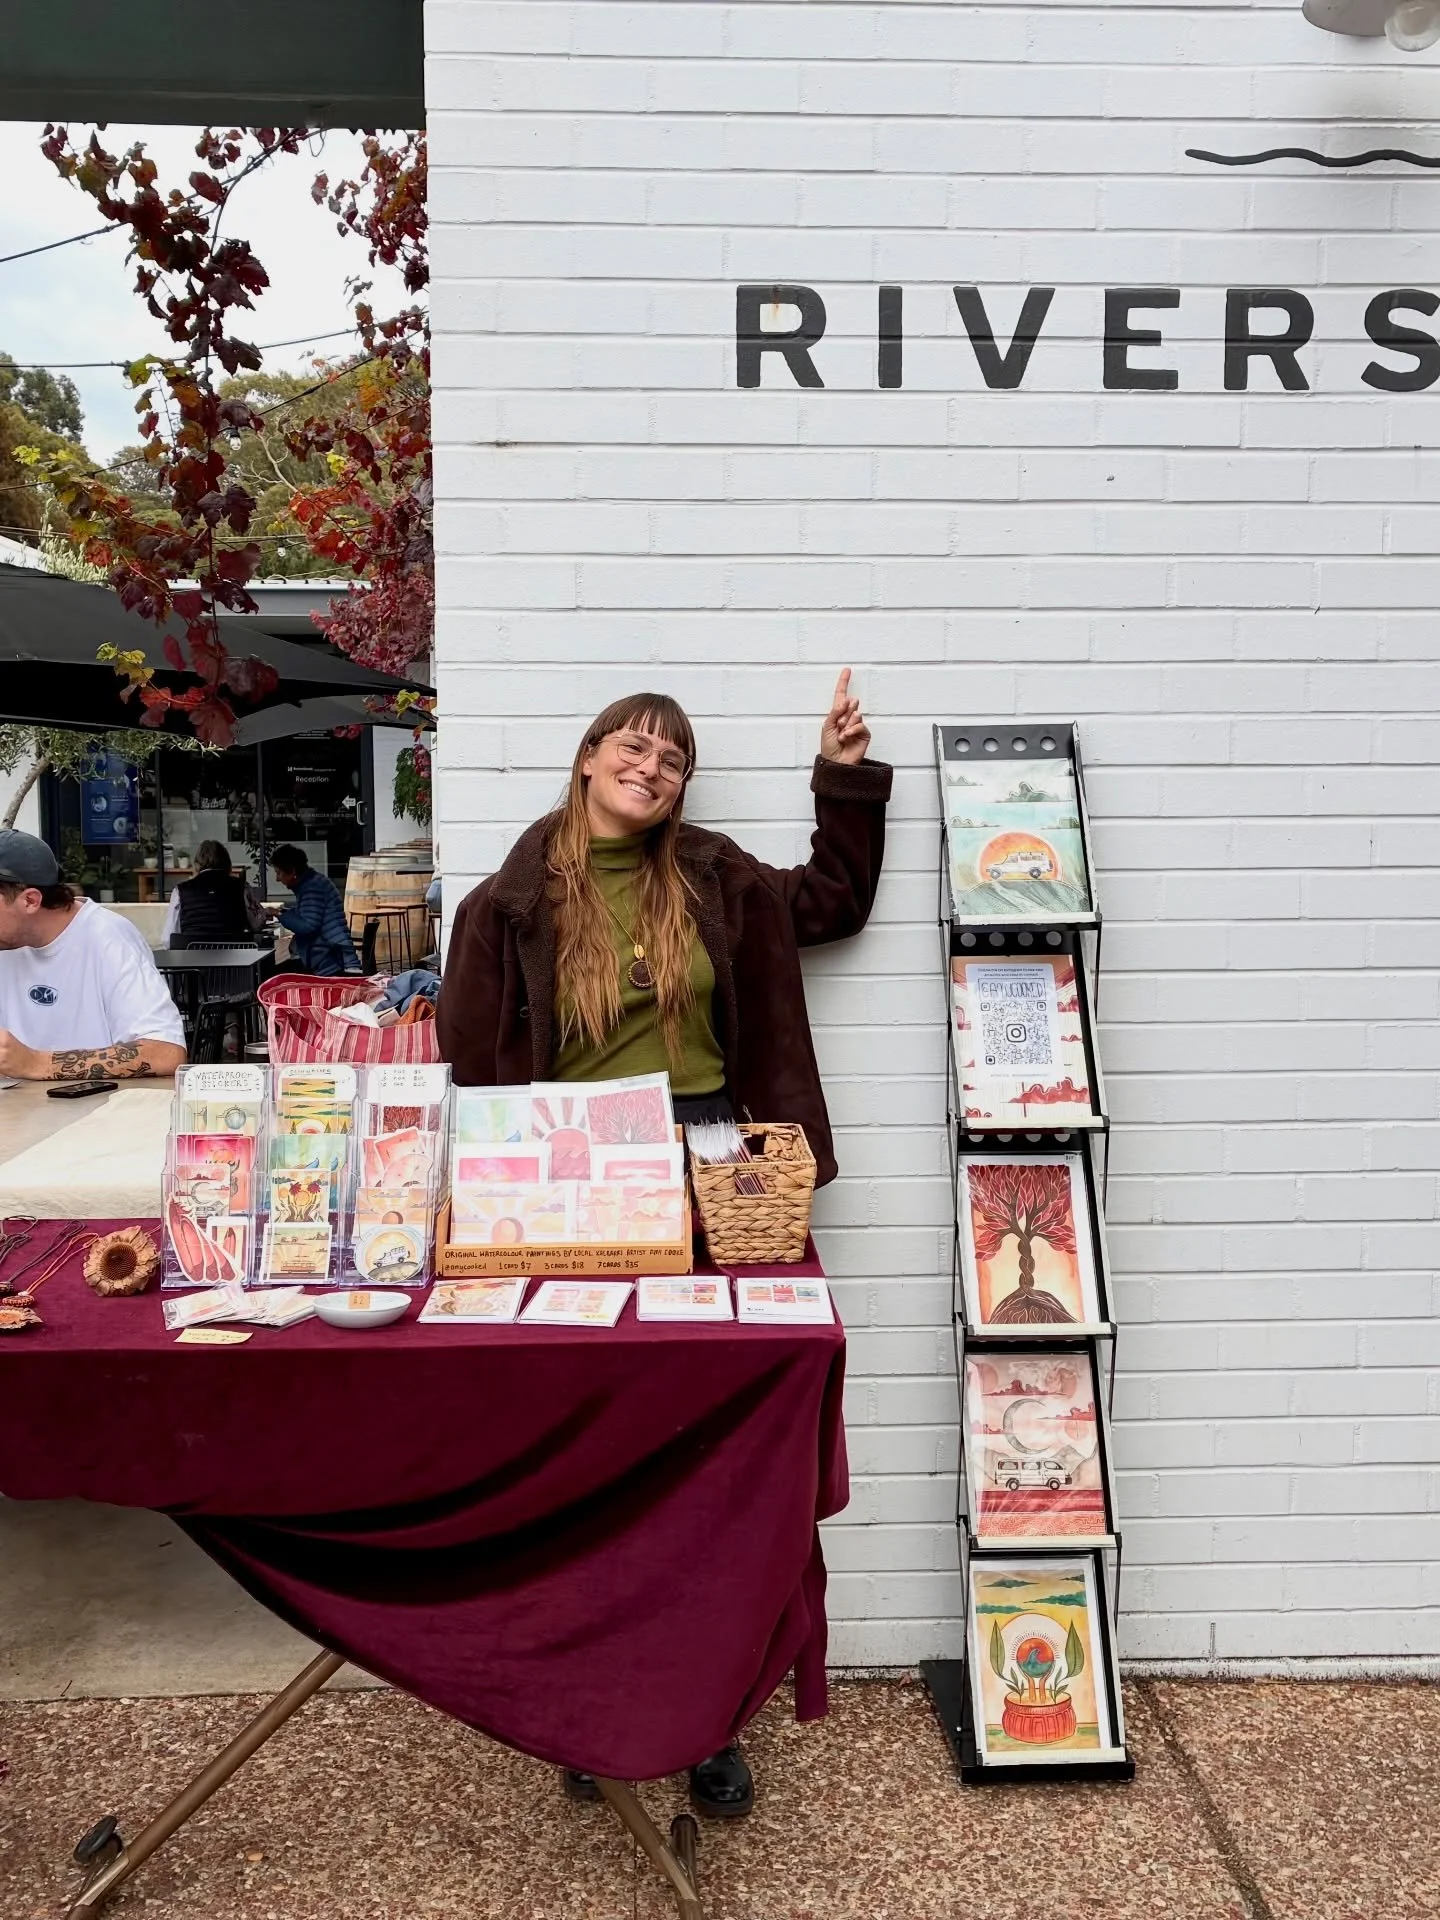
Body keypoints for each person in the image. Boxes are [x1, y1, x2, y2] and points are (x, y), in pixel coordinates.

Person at [437, 671, 890, 1819]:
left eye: (673, 757)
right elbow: (471, 1076)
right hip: (573, 1171)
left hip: (714, 1168)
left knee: (716, 1463)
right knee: (593, 1459)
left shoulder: (719, 877)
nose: (651, 766)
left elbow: (832, 900)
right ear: (589, 758)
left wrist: (840, 774)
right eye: (632, 746)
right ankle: (591, 1708)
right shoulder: (508, 903)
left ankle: (709, 1719)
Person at [0, 828, 186, 1083]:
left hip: (96, 1114)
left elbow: (165, 1052)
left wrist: (36, 1063)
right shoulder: (7, 942)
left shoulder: (107, 937)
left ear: (31, 900)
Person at [268, 846, 360, 976]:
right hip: (330, 955)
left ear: (292, 871)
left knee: (273, 977)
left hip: (329, 962)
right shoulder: (313, 882)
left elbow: (308, 926)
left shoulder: (311, 888)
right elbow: (308, 913)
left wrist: (279, 915)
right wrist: (282, 912)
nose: (277, 879)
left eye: (279, 873)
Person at [164, 839, 267, 948]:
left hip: (193, 958)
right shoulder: (242, 886)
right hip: (234, 957)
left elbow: (167, 938)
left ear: (197, 864)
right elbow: (257, 924)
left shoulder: (180, 890)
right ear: (227, 862)